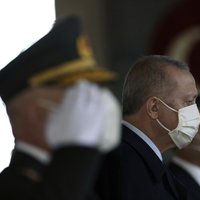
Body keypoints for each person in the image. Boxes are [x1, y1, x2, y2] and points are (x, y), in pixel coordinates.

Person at [0, 16, 121, 200]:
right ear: (34, 111)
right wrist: (78, 150)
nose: (93, 104)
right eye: (76, 94)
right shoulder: (11, 188)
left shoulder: (82, 178)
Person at [119, 55, 200, 200]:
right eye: (188, 102)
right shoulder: (123, 165)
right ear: (154, 108)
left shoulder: (143, 158)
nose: (195, 111)